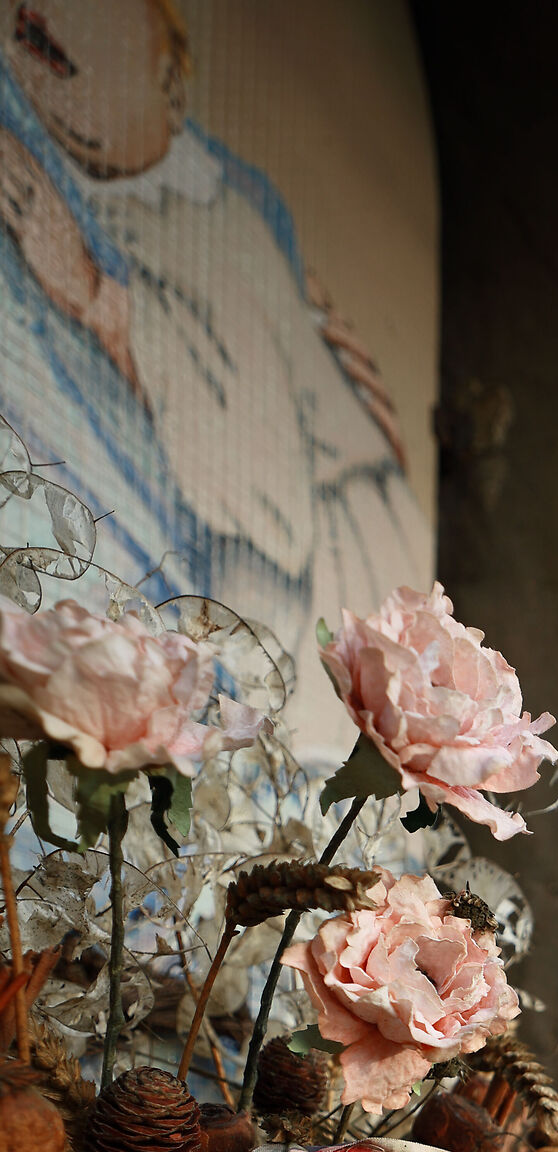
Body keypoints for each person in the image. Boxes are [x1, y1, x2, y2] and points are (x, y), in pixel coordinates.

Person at [0, 0, 430, 765]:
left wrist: (99, 299)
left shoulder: (219, 204)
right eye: (30, 36)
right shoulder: (120, 187)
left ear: (170, 82)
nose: (50, 26)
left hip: (329, 545)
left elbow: (258, 455)